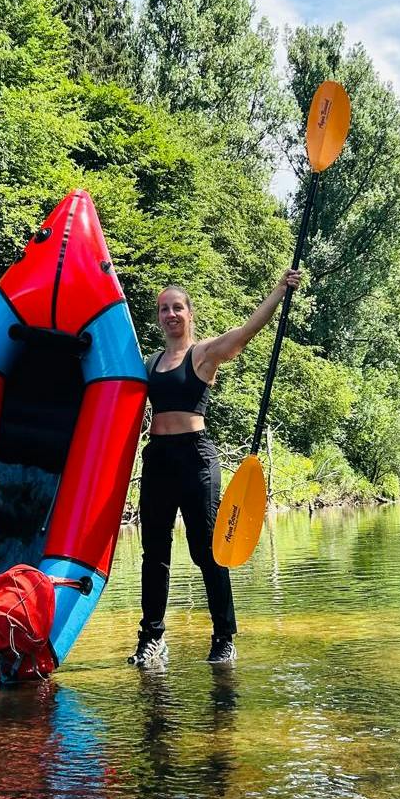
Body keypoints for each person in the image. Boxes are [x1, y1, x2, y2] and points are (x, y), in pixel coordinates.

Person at [127, 270, 301, 669]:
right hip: (158, 458)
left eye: (177, 307)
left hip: (196, 459)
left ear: (189, 313)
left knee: (207, 551)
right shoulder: (148, 363)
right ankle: (152, 637)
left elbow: (244, 333)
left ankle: (224, 637)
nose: (170, 314)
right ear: (158, 318)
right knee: (154, 553)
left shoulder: (203, 354)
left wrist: (278, 290)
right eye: (163, 309)